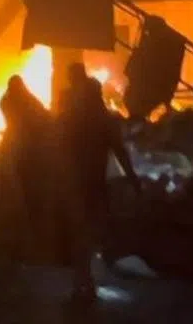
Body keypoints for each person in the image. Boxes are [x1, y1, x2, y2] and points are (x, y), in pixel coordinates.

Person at [56, 76, 141, 310]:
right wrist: (133, 179)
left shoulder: (75, 119)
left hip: (79, 186)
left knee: (81, 235)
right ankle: (85, 282)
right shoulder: (103, 120)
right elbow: (120, 151)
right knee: (88, 233)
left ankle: (83, 283)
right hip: (92, 186)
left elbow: (59, 151)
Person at [0, 74, 54, 256]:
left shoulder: (7, 100)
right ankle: (26, 218)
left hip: (17, 141)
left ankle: (20, 215)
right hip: (24, 142)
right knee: (24, 177)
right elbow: (41, 115)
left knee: (16, 175)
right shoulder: (24, 100)